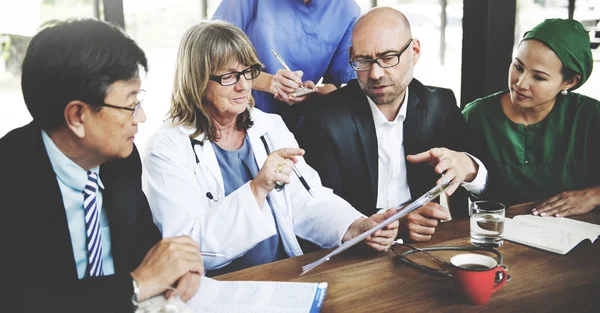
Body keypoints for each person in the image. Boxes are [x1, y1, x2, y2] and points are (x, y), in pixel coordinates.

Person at [143, 20, 399, 275]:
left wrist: (357, 226)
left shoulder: (269, 126)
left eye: (248, 72)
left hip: (281, 274)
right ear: (197, 79)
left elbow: (308, 201)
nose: (243, 85)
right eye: (229, 76)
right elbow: (188, 249)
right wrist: (257, 189)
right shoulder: (167, 146)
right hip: (217, 286)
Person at [0, 19, 204, 312]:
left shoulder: (120, 161)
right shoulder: (8, 181)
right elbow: (24, 300)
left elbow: (145, 248)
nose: (142, 117)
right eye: (131, 103)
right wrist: (136, 284)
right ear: (78, 117)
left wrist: (178, 266)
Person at [297, 7, 488, 242]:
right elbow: (321, 208)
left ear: (414, 51)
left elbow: (489, 185)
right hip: (354, 256)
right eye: (364, 61)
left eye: (388, 58)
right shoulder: (325, 116)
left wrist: (469, 167)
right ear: (351, 57)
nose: (375, 73)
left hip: (428, 246)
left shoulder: (440, 104)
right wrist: (395, 223)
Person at [463, 18, 600, 218]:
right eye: (518, 67)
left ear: (569, 82)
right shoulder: (476, 116)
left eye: (539, 77)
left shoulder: (590, 118)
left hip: (577, 239)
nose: (521, 83)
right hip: (496, 237)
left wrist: (593, 196)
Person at [212, 0, 359, 129]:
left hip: (295, 125)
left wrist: (308, 92)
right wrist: (269, 82)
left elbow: (334, 87)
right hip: (235, 113)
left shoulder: (347, 10)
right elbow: (213, 54)